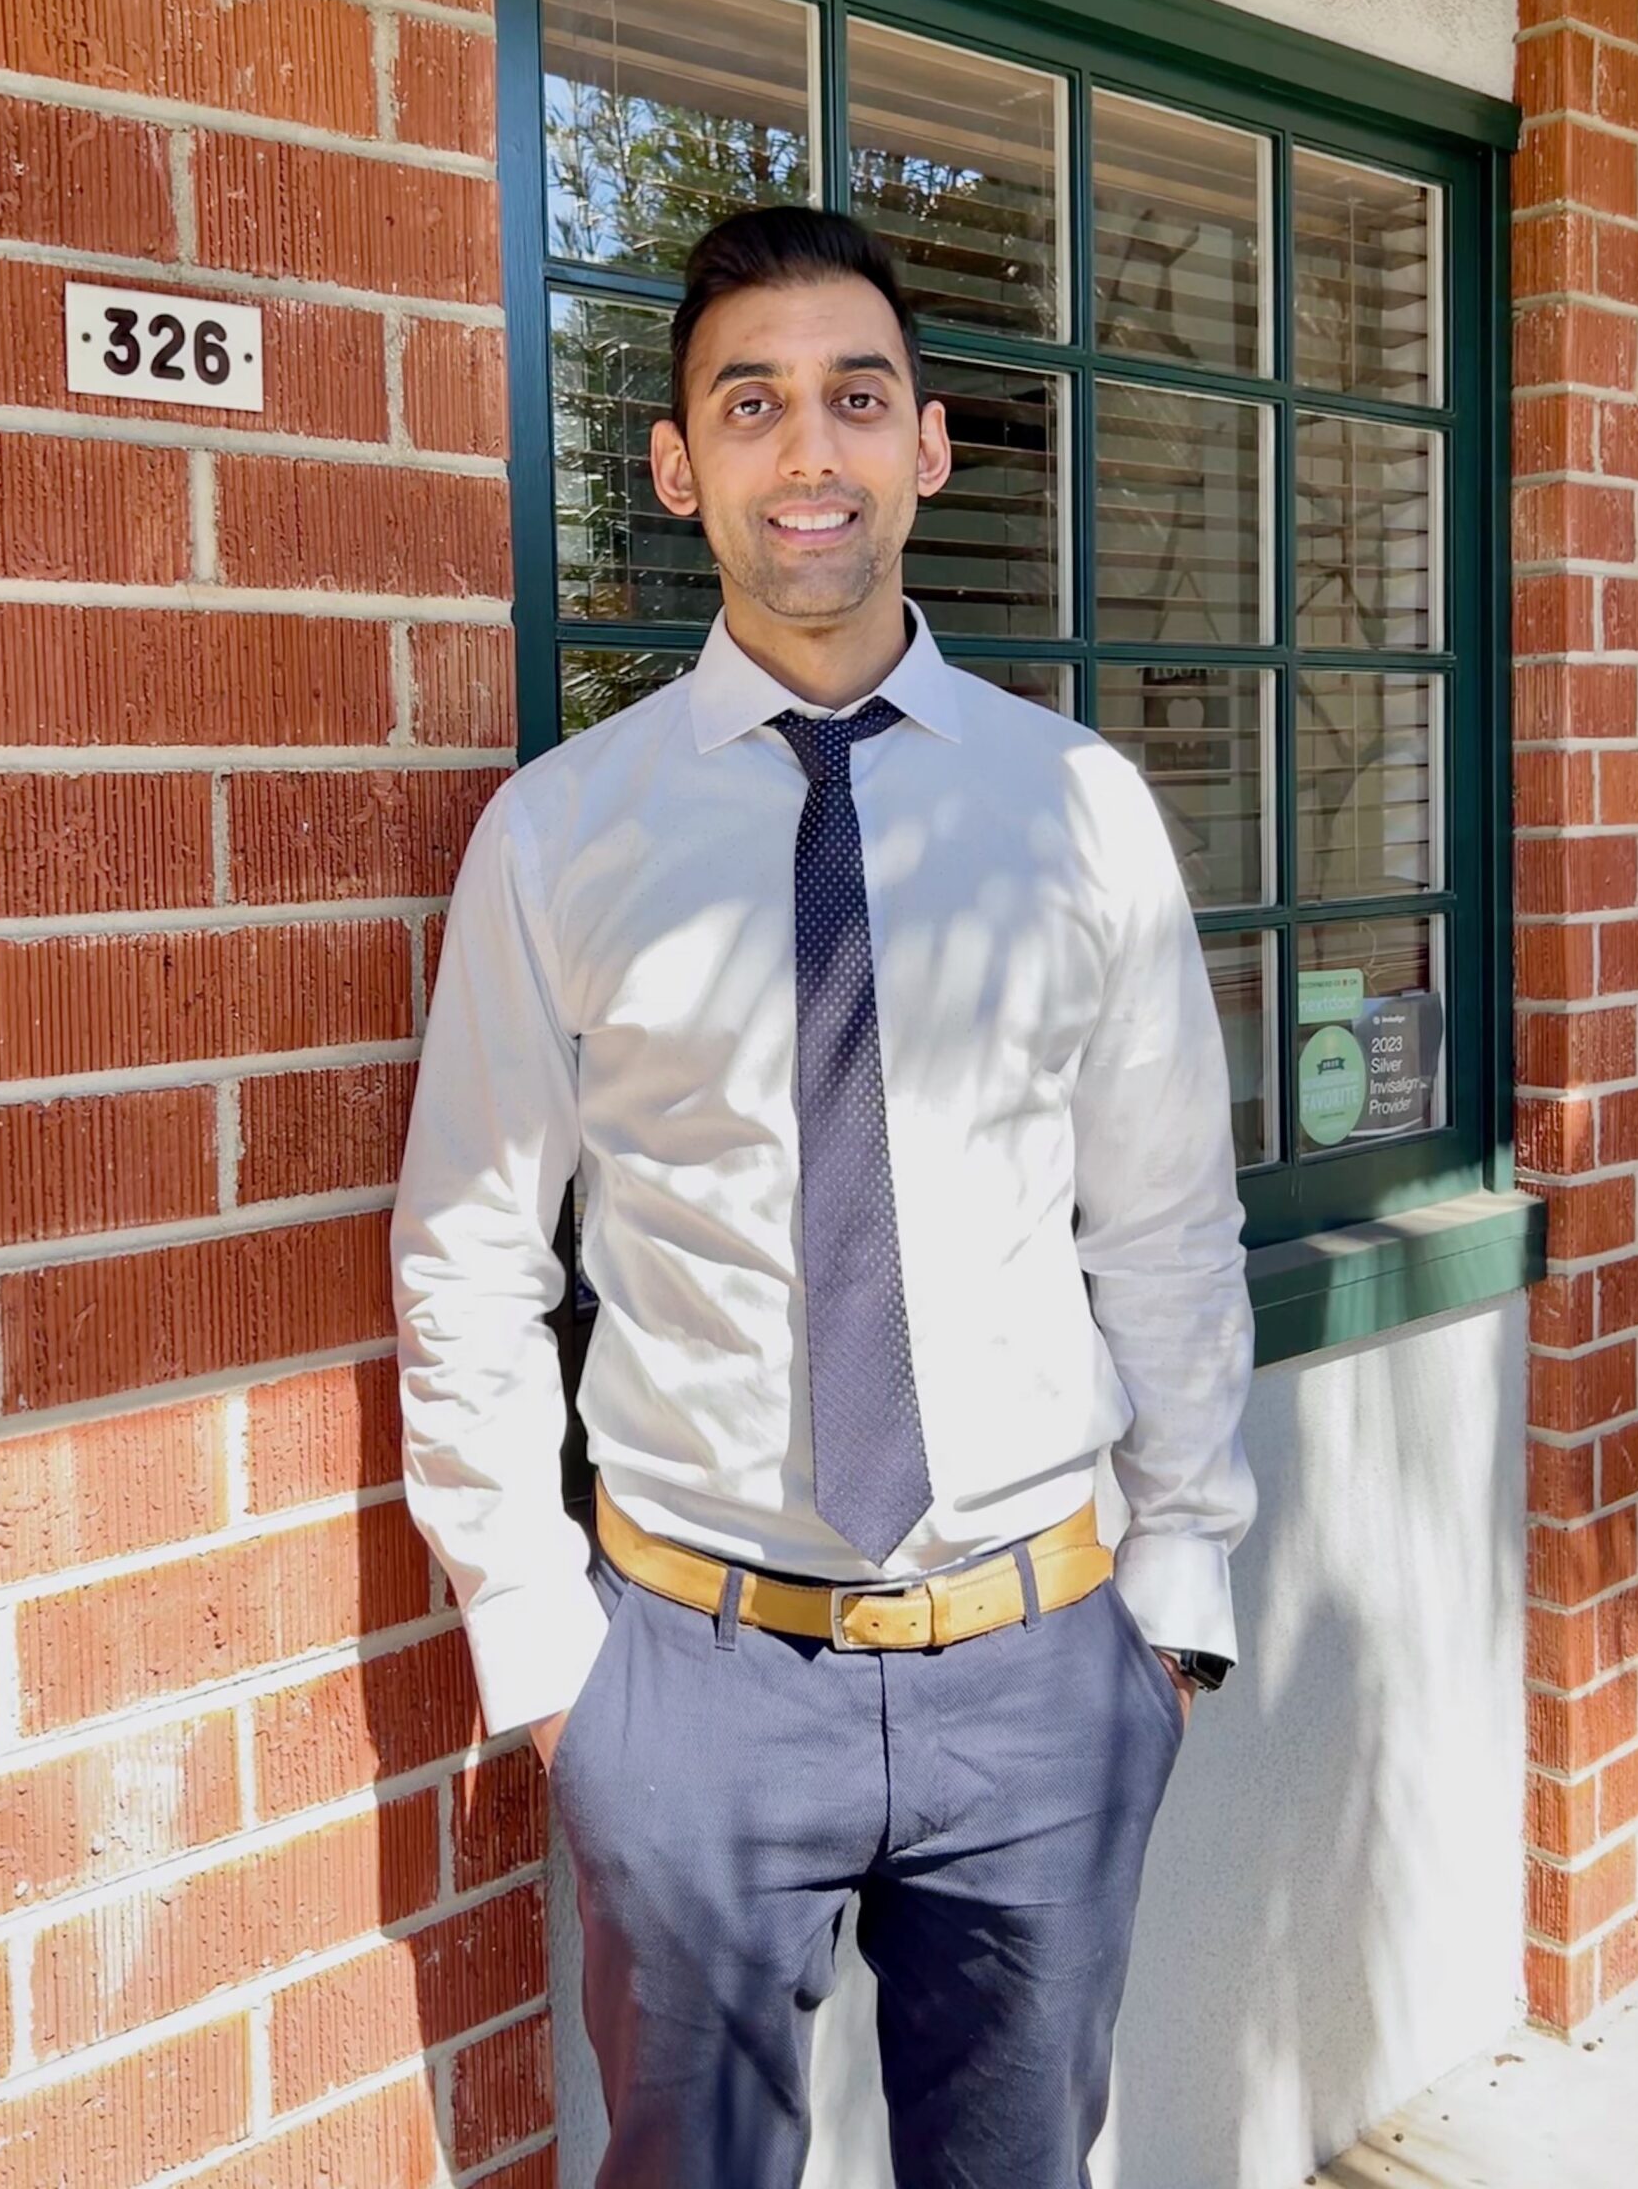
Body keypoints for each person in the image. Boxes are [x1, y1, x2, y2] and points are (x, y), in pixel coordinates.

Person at [391, 204, 1257, 2189]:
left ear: (928, 447)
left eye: (856, 399)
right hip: (689, 1675)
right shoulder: (561, 835)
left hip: (1041, 1659)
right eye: (753, 403)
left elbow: (1166, 1230)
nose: (812, 452)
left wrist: (1180, 1603)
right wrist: (545, 1654)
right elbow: (466, 1255)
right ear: (679, 463)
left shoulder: (1076, 809)